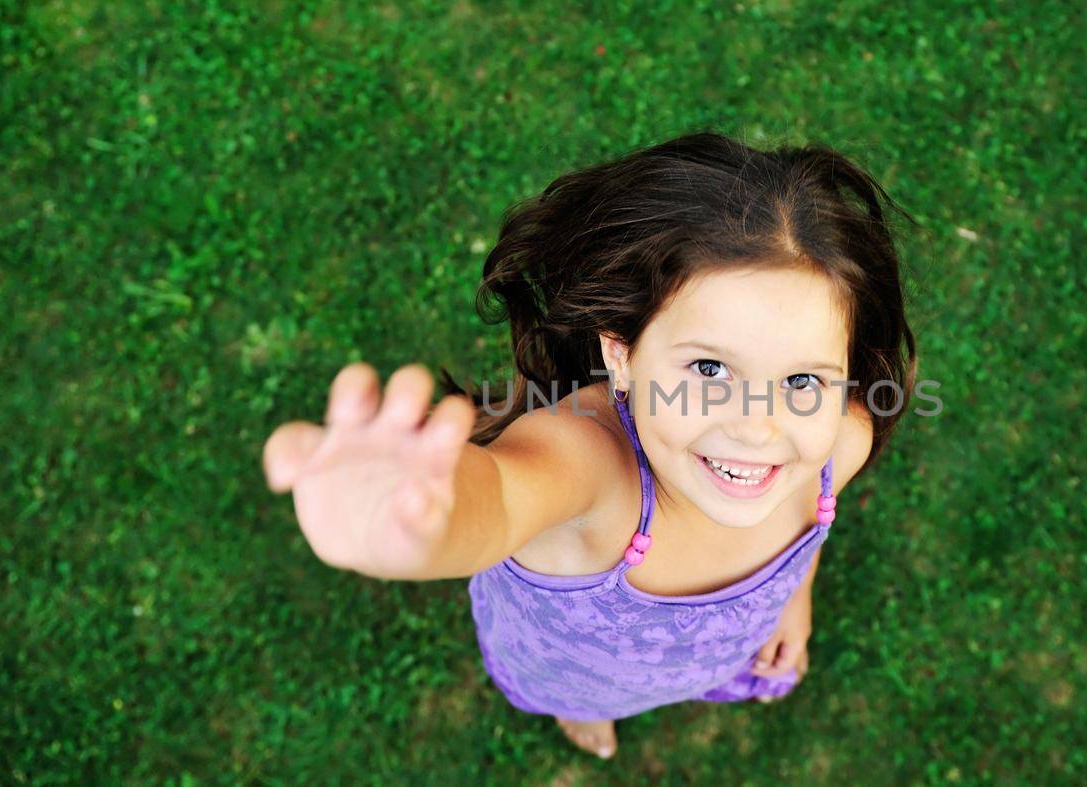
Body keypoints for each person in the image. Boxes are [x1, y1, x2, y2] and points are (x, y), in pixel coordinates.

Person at [262, 130, 919, 760]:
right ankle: (580, 709)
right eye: (711, 369)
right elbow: (497, 495)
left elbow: (809, 530)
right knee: (582, 692)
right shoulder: (591, 467)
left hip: (709, 654)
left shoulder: (840, 442)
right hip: (568, 666)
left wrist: (793, 595)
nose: (758, 426)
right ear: (622, 354)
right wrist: (420, 521)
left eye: (803, 379)